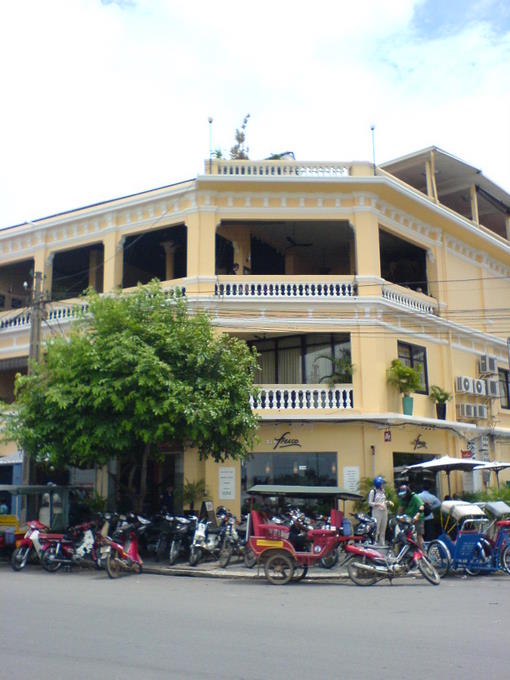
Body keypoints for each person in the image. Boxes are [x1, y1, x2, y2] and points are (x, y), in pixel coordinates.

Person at [397, 484, 425, 549]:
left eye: (404, 494)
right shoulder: (403, 499)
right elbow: (400, 509)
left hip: (418, 518)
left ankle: (423, 552)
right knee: (404, 535)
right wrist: (398, 517)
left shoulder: (414, 497)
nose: (402, 496)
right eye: (401, 494)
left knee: (419, 536)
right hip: (408, 519)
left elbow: (422, 506)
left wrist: (417, 516)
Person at [367, 476, 393, 545]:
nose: (383, 485)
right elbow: (370, 503)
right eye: (382, 484)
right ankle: (375, 542)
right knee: (376, 528)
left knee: (383, 528)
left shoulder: (383, 491)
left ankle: (382, 543)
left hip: (384, 511)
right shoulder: (373, 492)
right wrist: (378, 504)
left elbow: (383, 501)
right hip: (376, 512)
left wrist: (388, 502)